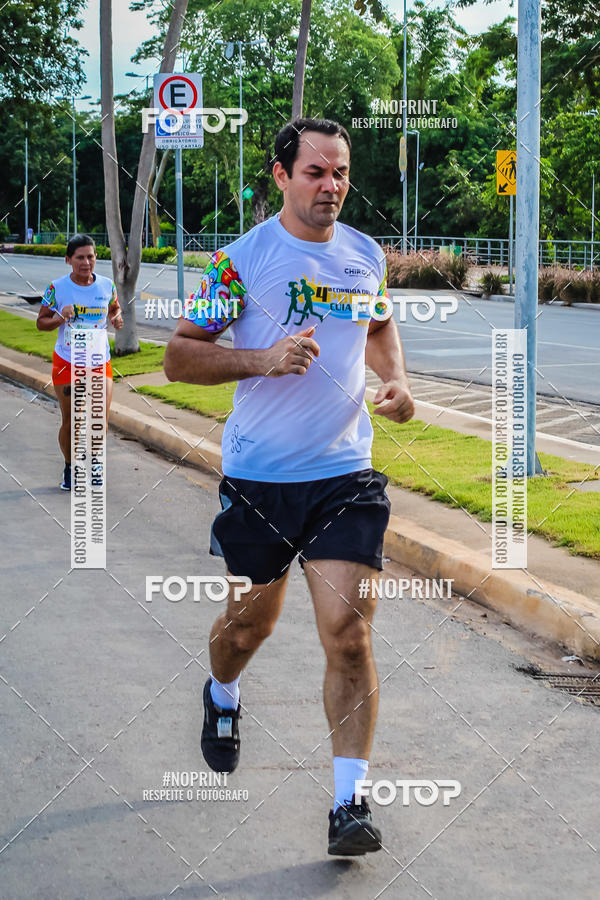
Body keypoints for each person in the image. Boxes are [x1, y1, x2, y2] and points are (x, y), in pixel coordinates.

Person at [164, 118, 415, 856]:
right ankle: (222, 694)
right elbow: (180, 357)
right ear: (280, 176)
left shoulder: (365, 254)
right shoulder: (241, 262)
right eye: (315, 172)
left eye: (340, 172)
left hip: (345, 475)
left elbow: (377, 326)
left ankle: (349, 804)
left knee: (348, 635)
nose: (331, 185)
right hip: (261, 479)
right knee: (248, 629)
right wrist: (261, 359)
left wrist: (396, 380)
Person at [36, 234, 123, 490]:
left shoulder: (107, 285)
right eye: (80, 257)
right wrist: (60, 319)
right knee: (72, 421)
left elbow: (114, 308)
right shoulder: (57, 288)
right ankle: (70, 466)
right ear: (68, 260)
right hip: (67, 362)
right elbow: (41, 322)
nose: (86, 262)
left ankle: (94, 462)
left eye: (91, 256)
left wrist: (117, 317)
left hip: (99, 361)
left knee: (99, 418)